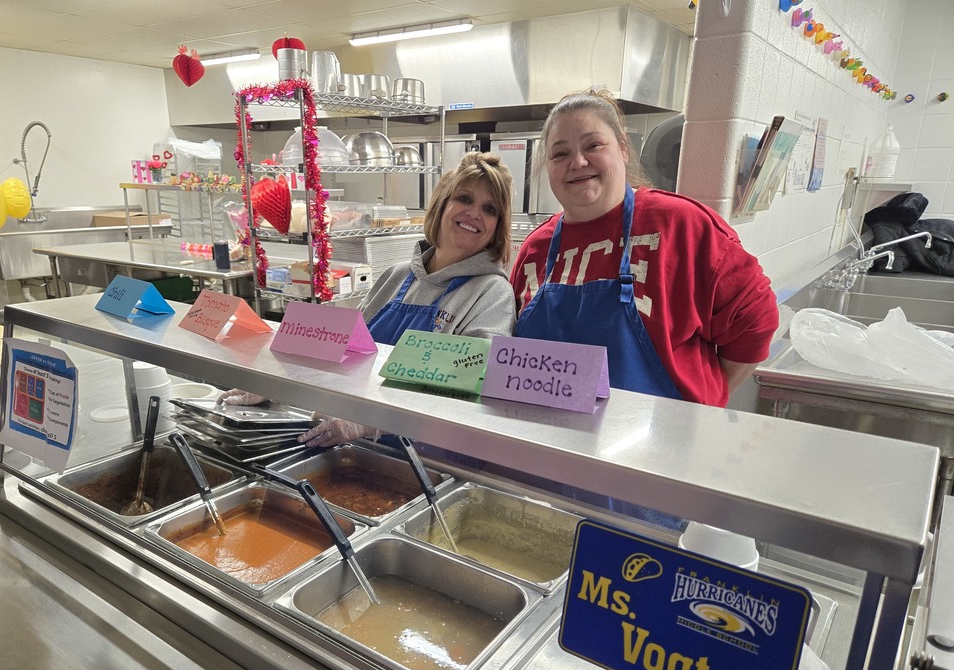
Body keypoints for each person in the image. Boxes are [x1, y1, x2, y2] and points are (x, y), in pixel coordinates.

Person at [221, 151, 517, 446]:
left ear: (496, 228)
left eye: (489, 209)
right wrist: (280, 386)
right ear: (442, 205)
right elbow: (340, 351)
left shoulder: (492, 293)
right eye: (464, 199)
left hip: (425, 457)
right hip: (353, 445)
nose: (474, 214)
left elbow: (472, 387)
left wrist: (371, 424)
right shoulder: (396, 275)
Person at [511, 89, 779, 407]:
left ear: (623, 149)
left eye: (593, 145)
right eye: (560, 154)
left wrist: (696, 409)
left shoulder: (681, 225)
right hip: (550, 444)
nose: (578, 162)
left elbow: (755, 324)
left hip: (660, 450)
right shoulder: (535, 250)